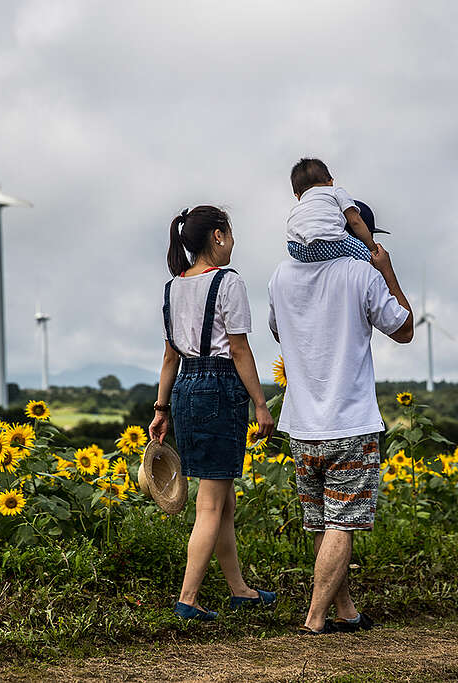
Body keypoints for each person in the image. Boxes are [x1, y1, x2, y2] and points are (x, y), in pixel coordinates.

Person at [267, 226, 414, 634]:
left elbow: (279, 331)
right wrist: (386, 270)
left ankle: (345, 611)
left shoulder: (281, 275)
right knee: (342, 524)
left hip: (302, 427)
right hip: (349, 423)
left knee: (321, 523)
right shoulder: (361, 273)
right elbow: (404, 329)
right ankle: (315, 620)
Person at [149, 205, 276, 621]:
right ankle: (188, 599)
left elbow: (170, 357)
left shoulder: (172, 288)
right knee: (210, 504)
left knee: (222, 501)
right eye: (231, 234)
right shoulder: (228, 283)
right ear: (218, 236)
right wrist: (260, 403)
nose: (234, 243)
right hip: (220, 389)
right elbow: (239, 349)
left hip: (185, 389)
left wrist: (161, 408)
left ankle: (241, 590)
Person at [286, 158, 378, 263]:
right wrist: (372, 249)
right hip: (327, 244)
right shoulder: (336, 191)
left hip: (297, 248)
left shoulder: (297, 207)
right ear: (330, 181)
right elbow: (355, 221)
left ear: (297, 195)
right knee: (369, 259)